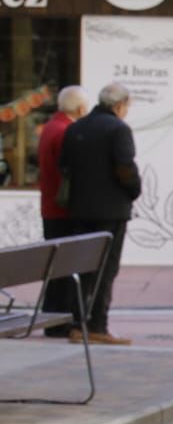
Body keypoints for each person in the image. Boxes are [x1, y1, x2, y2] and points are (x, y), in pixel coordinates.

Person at [59, 82, 141, 346]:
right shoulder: (118, 129)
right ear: (120, 105)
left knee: (83, 267)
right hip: (111, 211)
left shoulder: (76, 128)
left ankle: (77, 323)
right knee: (106, 269)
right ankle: (97, 325)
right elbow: (125, 167)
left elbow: (64, 166)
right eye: (127, 106)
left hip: (79, 210)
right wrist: (134, 191)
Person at [37, 85, 92, 335]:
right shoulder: (66, 131)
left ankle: (54, 318)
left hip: (50, 207)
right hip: (63, 210)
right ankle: (60, 321)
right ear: (80, 109)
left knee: (57, 269)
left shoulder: (51, 126)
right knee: (65, 269)